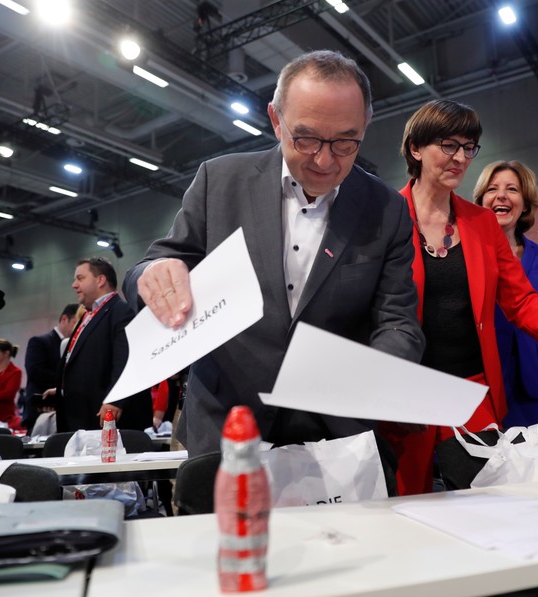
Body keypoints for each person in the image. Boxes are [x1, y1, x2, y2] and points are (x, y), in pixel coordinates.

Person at [123, 50, 425, 462]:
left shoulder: (387, 209)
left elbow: (399, 324)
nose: (324, 160)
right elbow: (158, 263)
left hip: (335, 436)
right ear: (275, 119)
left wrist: (371, 375)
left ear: (366, 125)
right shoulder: (220, 181)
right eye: (306, 138)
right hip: (225, 426)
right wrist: (153, 273)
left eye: (345, 142)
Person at [380, 101, 538, 495]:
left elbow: (521, 301)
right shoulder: (385, 215)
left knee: (487, 504)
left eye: (468, 147)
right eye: (448, 145)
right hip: (406, 390)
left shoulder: (482, 223)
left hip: (471, 390)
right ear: (415, 149)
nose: (460, 158)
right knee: (407, 508)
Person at [474, 160, 538, 428]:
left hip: (530, 387)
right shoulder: (467, 253)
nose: (501, 195)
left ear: (526, 204)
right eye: (492, 189)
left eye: (512, 189)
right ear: (481, 200)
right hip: (482, 386)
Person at [46, 257, 151, 432]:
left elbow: (126, 360)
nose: (74, 285)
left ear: (100, 280)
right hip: (82, 415)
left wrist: (115, 399)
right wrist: (63, 390)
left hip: (106, 419)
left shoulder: (122, 311)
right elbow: (89, 364)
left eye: (80, 278)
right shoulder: (89, 315)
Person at [22, 303, 78, 428]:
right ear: (64, 319)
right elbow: (35, 372)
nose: (78, 327)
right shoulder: (40, 341)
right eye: (76, 322)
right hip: (41, 409)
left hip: (65, 412)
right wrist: (67, 380)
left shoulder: (76, 345)